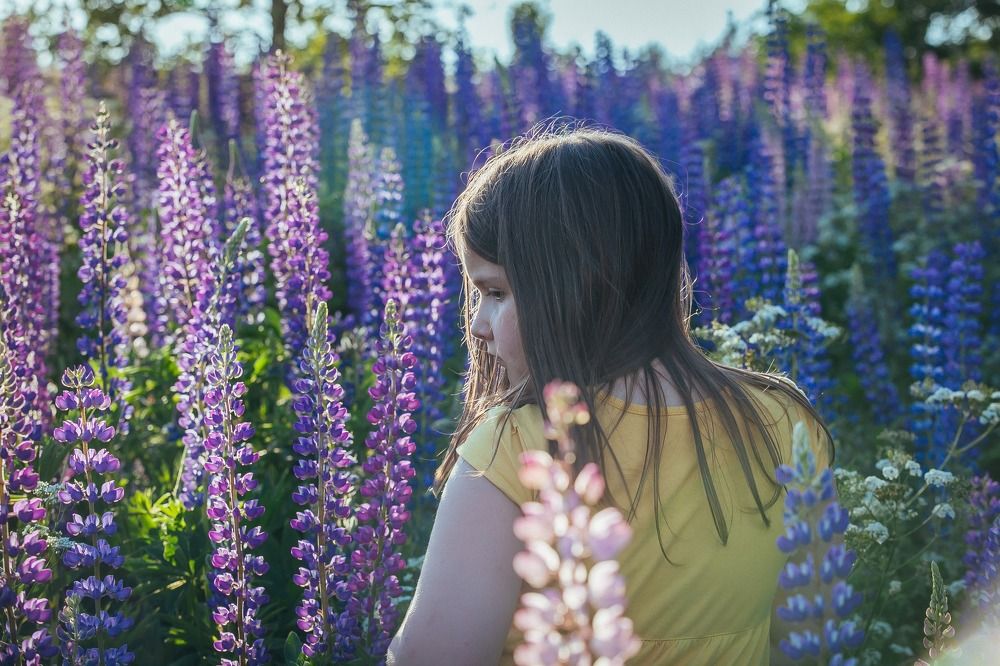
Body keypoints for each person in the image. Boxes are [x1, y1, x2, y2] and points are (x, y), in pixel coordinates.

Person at [386, 125, 833, 665]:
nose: (478, 324)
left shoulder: (517, 448)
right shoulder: (781, 423)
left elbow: (430, 657)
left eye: (497, 292)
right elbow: (805, 639)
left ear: (575, 283)